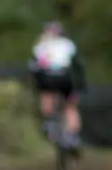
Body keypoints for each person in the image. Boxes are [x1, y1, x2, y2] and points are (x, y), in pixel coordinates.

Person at [28, 22, 86, 152]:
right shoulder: (68, 44)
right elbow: (78, 66)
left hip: (47, 78)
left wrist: (36, 86)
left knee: (46, 96)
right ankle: (72, 136)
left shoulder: (40, 45)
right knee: (70, 107)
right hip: (65, 78)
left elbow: (33, 68)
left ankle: (49, 122)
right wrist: (81, 86)